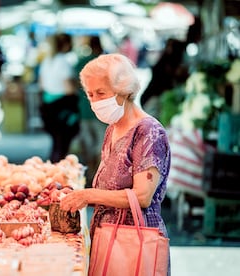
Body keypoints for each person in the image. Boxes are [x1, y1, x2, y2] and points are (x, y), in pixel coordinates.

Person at [59, 53, 171, 275]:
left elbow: (142, 196)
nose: (95, 101)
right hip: (108, 235)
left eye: (101, 93)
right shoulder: (113, 128)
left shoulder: (148, 131)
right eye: (90, 94)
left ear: (124, 90)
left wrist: (88, 195)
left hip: (133, 240)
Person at [38, 33, 80, 163]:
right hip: (63, 106)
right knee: (62, 144)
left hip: (47, 104)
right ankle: (58, 171)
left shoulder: (46, 61)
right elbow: (68, 88)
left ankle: (53, 167)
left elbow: (41, 84)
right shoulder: (64, 62)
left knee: (56, 142)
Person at [74, 35, 107, 188]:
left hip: (84, 110)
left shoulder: (82, 62)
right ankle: (98, 179)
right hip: (101, 112)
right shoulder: (105, 65)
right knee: (102, 147)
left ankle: (89, 177)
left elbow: (74, 82)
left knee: (88, 146)